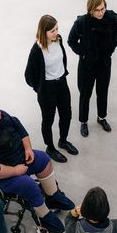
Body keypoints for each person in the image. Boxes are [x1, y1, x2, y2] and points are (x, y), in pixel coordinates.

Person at [0, 97, 75, 233]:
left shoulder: (0, 115)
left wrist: (28, 149)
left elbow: (20, 130)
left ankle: (53, 196)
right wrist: (15, 170)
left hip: (20, 157)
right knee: (29, 185)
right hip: (1, 175)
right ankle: (44, 215)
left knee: (44, 159)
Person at [25, 15, 78, 163]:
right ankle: (50, 147)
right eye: (52, 31)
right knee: (48, 120)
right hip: (47, 88)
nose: (56, 33)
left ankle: (63, 140)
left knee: (66, 114)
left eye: (57, 29)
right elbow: (28, 75)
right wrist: (40, 88)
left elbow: (61, 59)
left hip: (62, 82)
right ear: (44, 32)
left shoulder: (58, 40)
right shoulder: (37, 50)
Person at [68, 0, 117, 137]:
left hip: (104, 62)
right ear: (90, 9)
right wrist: (84, 53)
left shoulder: (111, 18)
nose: (101, 12)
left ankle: (101, 117)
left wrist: (112, 46)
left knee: (103, 91)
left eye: (103, 8)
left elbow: (116, 34)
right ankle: (83, 121)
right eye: (97, 10)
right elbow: (71, 41)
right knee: (85, 93)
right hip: (87, 65)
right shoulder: (81, 23)